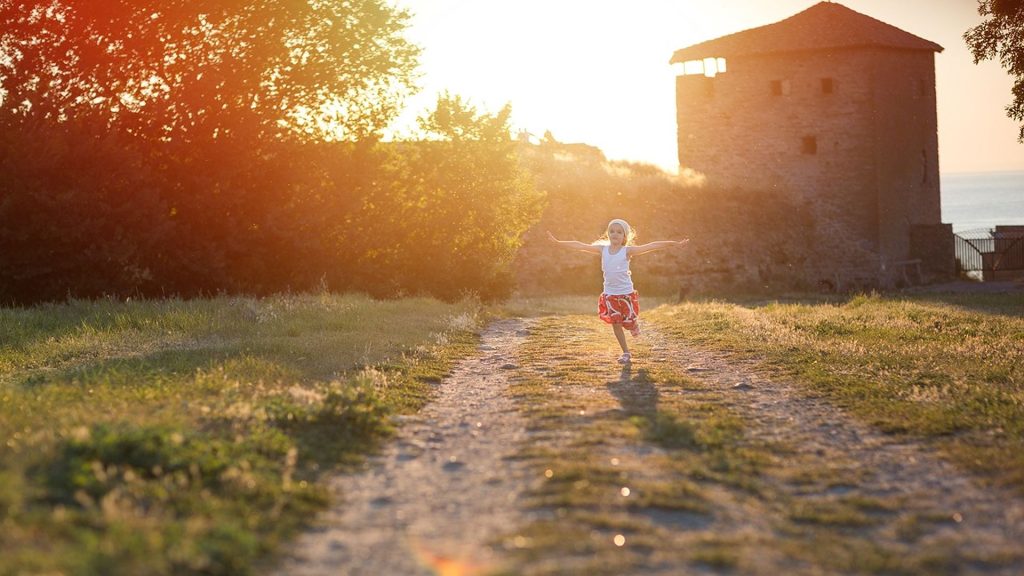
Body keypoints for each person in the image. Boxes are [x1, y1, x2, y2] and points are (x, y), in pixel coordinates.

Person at [547, 219, 689, 364]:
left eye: (619, 232)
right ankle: (626, 352)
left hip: (626, 294)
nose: (615, 234)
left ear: (624, 236)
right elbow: (579, 245)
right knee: (616, 324)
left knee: (629, 322)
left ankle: (633, 325)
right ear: (608, 233)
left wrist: (674, 244)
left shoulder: (627, 251)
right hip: (610, 295)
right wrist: (558, 243)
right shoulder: (602, 249)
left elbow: (652, 246)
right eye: (612, 231)